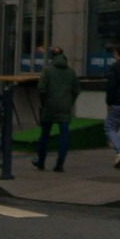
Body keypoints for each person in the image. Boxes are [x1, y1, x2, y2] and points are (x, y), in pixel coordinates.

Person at [33, 43, 80, 173]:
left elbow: (41, 89)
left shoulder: (47, 70)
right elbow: (76, 90)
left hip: (49, 106)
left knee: (45, 135)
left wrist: (44, 102)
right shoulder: (71, 72)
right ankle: (60, 163)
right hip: (65, 106)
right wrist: (70, 102)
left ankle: (41, 161)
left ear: (52, 57)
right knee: (64, 136)